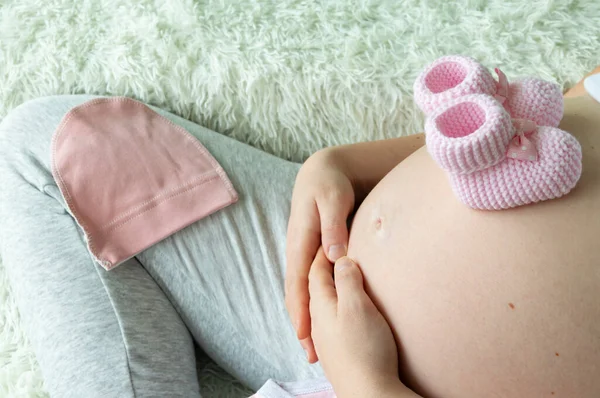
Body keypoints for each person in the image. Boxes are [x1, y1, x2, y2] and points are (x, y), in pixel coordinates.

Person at [0, 65, 598, 398]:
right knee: (57, 145)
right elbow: (559, 117)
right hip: (320, 267)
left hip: (369, 380)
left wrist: (367, 383)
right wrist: (338, 164)